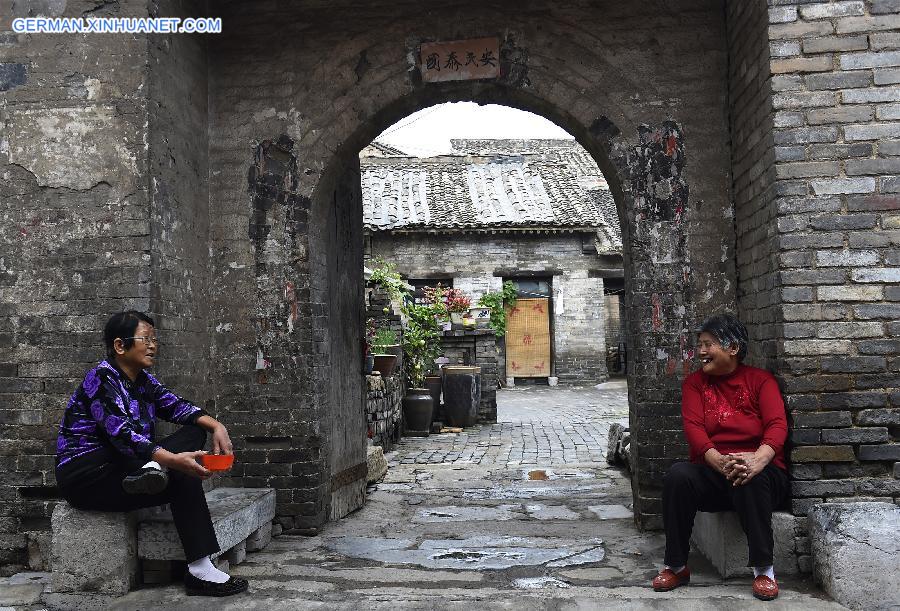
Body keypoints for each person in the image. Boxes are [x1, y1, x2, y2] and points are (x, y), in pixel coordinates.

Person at [55, 310, 248, 597]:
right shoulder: (100, 380)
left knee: (194, 434)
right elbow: (120, 434)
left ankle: (199, 567)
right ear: (120, 346)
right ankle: (154, 470)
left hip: (126, 470)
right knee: (178, 466)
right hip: (88, 476)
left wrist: (217, 426)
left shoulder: (142, 380)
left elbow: (177, 406)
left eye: (154, 339)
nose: (153, 345)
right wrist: (170, 459)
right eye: (145, 339)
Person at [651, 314, 789, 602]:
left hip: (760, 476)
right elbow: (695, 430)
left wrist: (756, 460)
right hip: (715, 472)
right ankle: (676, 565)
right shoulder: (694, 385)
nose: (700, 352)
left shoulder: (760, 381)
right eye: (699, 345)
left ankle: (764, 570)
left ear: (733, 348)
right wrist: (720, 462)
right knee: (678, 476)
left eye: (708, 344)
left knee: (749, 476)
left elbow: (777, 425)